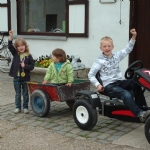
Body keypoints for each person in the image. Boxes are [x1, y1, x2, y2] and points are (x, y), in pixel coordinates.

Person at [88, 29, 150, 123]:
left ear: (112, 47)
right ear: (101, 48)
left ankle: (143, 109)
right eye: (104, 46)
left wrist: (134, 36)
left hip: (119, 82)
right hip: (109, 86)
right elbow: (91, 74)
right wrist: (97, 85)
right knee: (126, 94)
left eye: (109, 46)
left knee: (137, 83)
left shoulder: (117, 56)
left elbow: (128, 49)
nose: (107, 48)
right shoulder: (99, 61)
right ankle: (140, 114)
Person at [8, 30, 34, 114]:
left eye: (22, 45)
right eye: (19, 46)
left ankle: (25, 107)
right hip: (17, 78)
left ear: (25, 46)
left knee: (25, 93)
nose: (21, 47)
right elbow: (9, 46)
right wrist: (11, 36)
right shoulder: (16, 54)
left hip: (25, 78)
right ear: (16, 47)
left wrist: (25, 66)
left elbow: (32, 66)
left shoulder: (29, 56)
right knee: (18, 94)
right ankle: (18, 107)